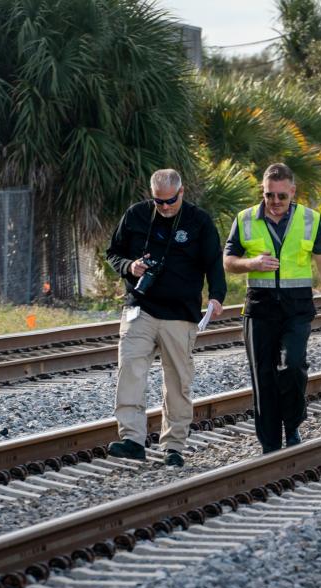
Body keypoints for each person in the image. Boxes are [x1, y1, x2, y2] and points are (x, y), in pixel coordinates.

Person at [105, 169, 226, 468]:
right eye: (159, 201)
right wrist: (129, 267)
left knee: (177, 382)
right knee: (130, 369)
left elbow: (214, 263)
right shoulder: (136, 215)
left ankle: (174, 445)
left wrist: (216, 297)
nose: (165, 207)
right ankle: (132, 439)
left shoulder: (199, 221)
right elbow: (113, 253)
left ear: (181, 193)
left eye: (171, 200)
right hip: (140, 308)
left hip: (180, 314)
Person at [223, 163, 321, 454]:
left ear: (292, 191)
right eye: (269, 195)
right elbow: (228, 261)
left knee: (292, 366)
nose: (275, 202)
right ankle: (270, 446)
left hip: (296, 308)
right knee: (263, 376)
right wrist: (250, 264)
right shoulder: (245, 219)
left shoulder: (310, 219)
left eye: (281, 196)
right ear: (262, 192)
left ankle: (292, 424)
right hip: (259, 308)